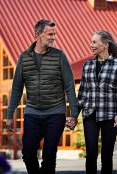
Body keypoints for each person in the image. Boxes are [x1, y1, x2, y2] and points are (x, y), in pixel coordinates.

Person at [6, 19, 78, 174]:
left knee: (49, 154)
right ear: (37, 35)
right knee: (27, 153)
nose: (53, 37)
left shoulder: (60, 56)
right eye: (50, 34)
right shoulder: (24, 58)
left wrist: (74, 113)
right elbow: (17, 88)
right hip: (32, 113)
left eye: (54, 34)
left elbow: (70, 86)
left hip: (55, 113)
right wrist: (10, 113)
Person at [77, 30, 117, 174]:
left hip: (110, 115)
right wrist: (74, 115)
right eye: (91, 42)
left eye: (94, 42)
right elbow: (82, 93)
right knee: (91, 154)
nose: (91, 45)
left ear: (105, 45)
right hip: (90, 114)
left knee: (107, 156)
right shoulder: (87, 65)